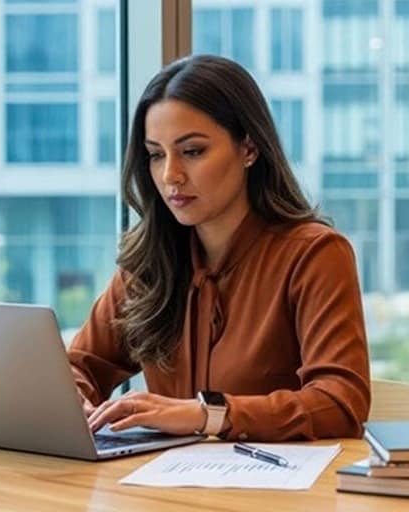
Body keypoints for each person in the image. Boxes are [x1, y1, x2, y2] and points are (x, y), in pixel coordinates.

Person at [68, 54, 370, 442]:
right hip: (161, 492)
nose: (170, 176)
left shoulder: (314, 255)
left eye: (192, 151)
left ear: (249, 148)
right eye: (156, 155)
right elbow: (80, 364)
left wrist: (207, 415)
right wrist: (74, 401)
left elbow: (341, 404)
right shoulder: (149, 262)